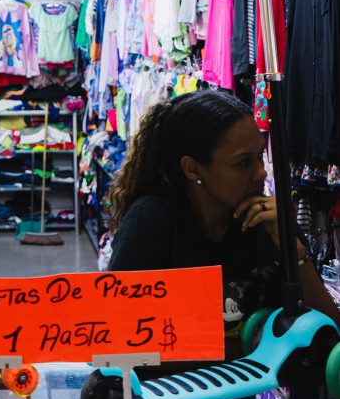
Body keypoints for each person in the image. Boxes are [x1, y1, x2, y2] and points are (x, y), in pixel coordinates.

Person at [108, 89, 340, 350]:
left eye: (259, 157)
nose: (261, 173)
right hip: (164, 388)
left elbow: (327, 334)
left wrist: (293, 250)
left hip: (240, 387)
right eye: (242, 163)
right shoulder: (152, 221)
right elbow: (116, 331)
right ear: (192, 168)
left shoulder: (267, 222)